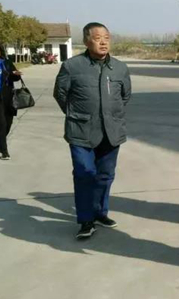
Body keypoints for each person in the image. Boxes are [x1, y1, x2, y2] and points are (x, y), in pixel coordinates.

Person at [53, 23, 132, 240]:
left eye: (106, 37)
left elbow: (125, 96)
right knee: (84, 173)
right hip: (81, 131)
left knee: (105, 175)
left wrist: (110, 115)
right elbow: (60, 94)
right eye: (98, 38)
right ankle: (86, 220)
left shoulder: (119, 68)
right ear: (87, 41)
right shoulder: (72, 66)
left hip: (111, 131)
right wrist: (78, 115)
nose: (103, 42)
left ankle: (99, 213)